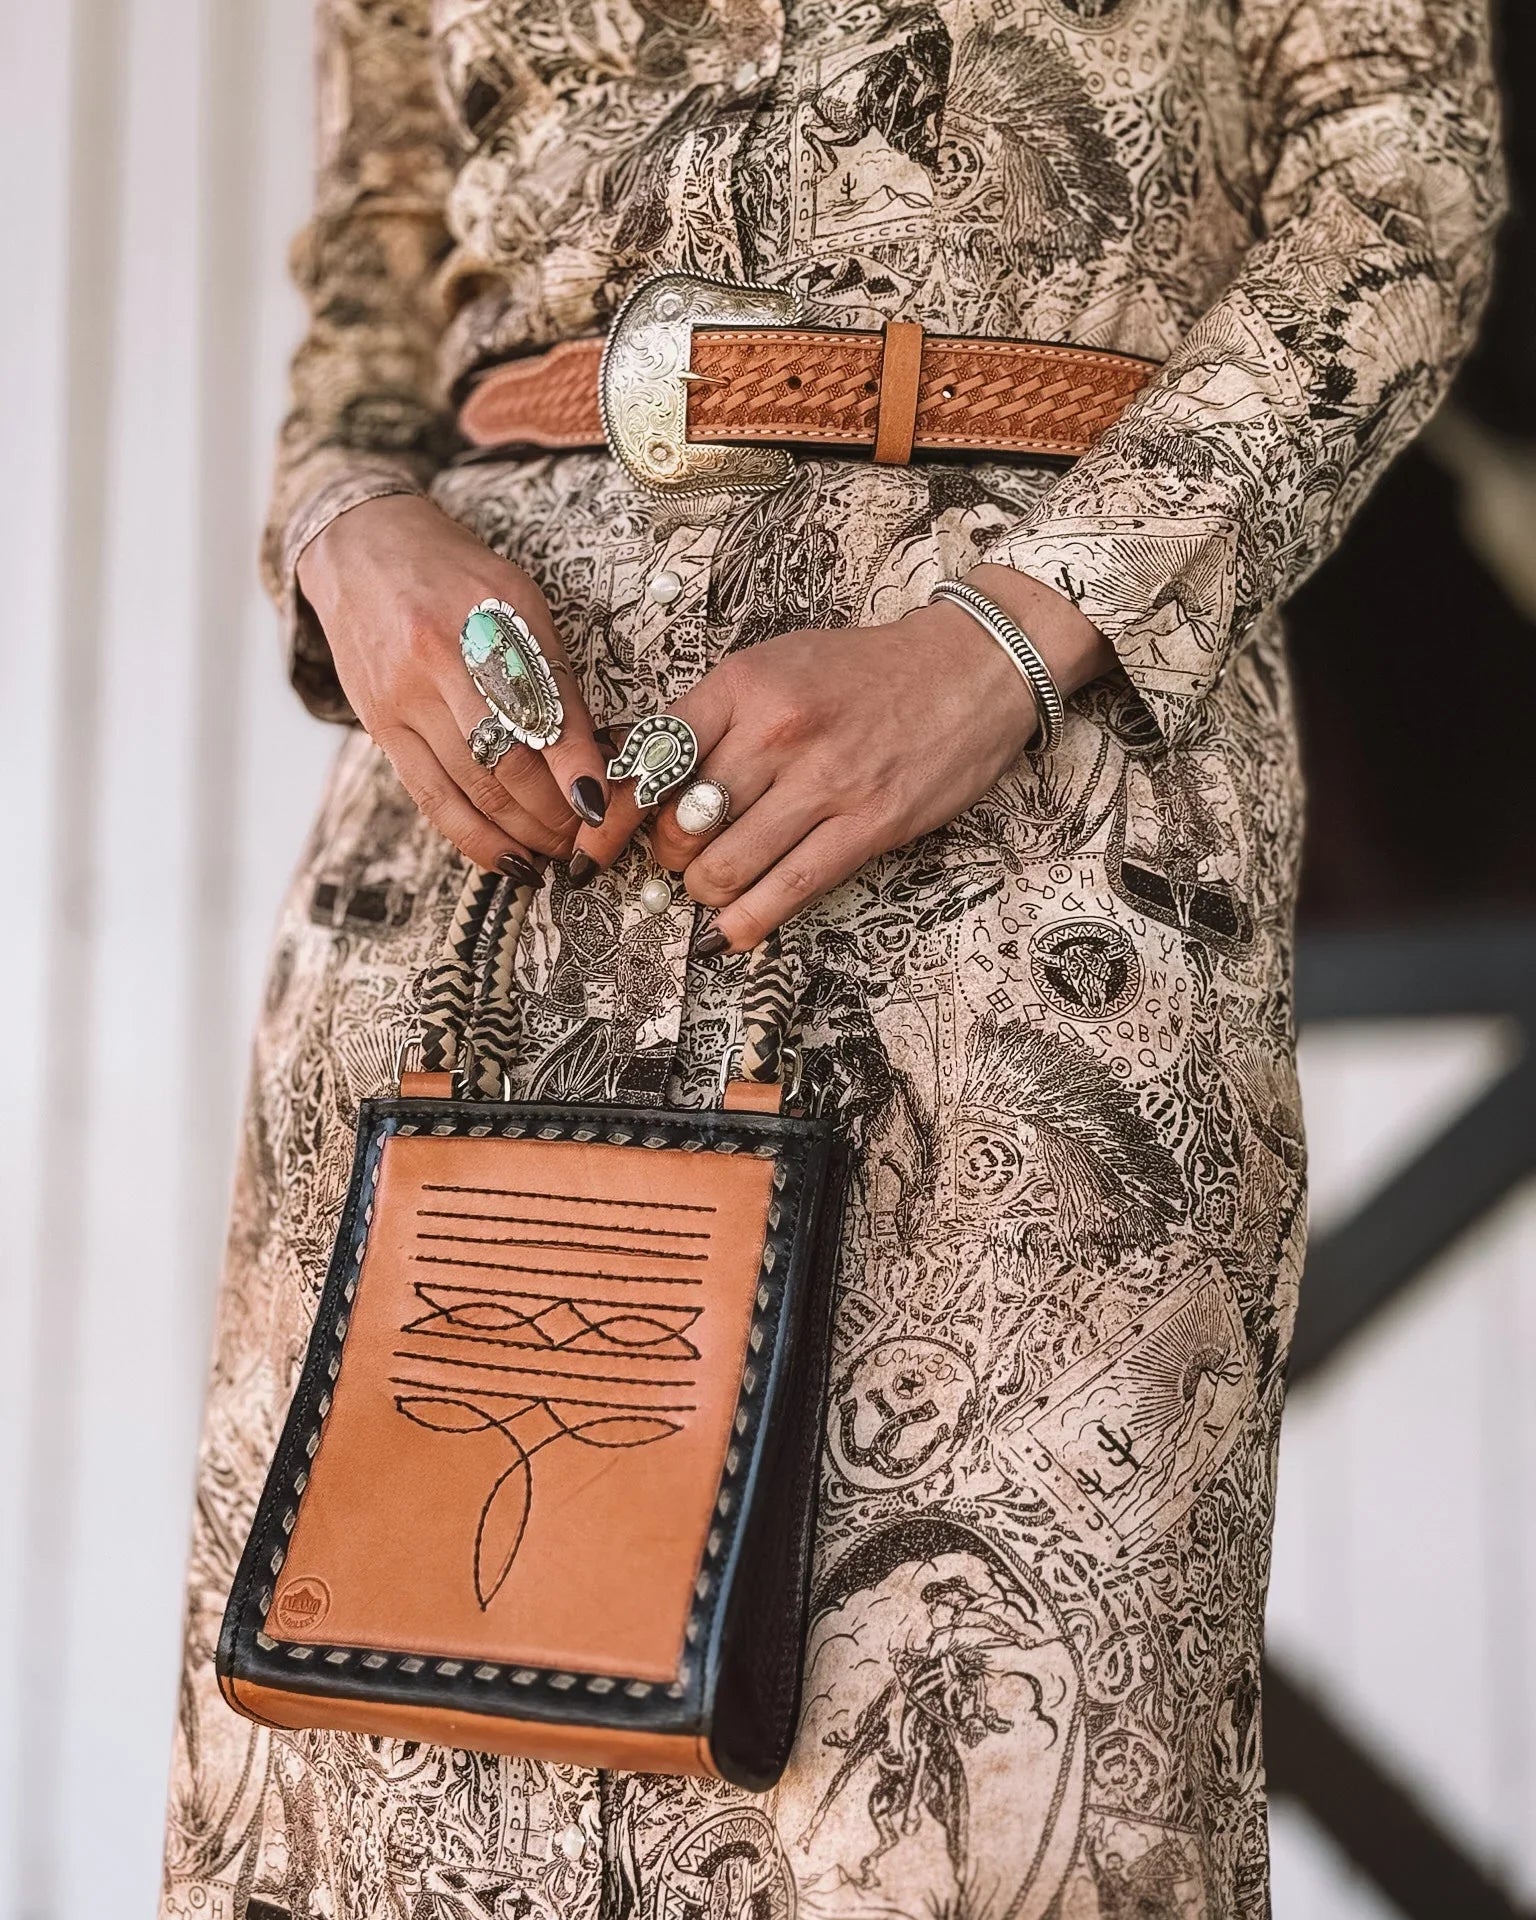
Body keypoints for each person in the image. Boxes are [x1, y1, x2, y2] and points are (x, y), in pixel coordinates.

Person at [159, 2, 1502, 1914]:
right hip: (488, 830)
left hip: (1028, 825)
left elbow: (1401, 185)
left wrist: (1014, 632)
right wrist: (345, 532)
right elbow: (381, 238)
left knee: (961, 1778)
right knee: (397, 1732)